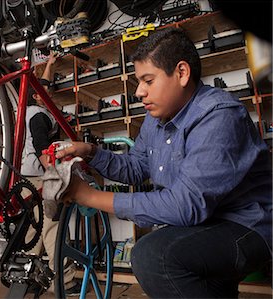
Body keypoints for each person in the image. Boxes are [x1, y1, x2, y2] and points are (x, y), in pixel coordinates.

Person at [54, 27, 272, 298]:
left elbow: (185, 206)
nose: (140, 92)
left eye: (148, 80)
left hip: (246, 226)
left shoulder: (219, 116)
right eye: (138, 83)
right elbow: (136, 168)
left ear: (181, 73)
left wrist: (88, 196)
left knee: (153, 256)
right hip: (205, 225)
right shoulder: (155, 120)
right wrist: (90, 152)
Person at [21, 52, 79, 295]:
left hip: (25, 177)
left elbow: (42, 86)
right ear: (37, 96)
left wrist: (50, 65)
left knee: (34, 229)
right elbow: (42, 147)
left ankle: (26, 274)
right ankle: (64, 281)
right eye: (46, 93)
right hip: (40, 175)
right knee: (52, 226)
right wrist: (56, 176)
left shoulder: (25, 112)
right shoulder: (39, 115)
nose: (50, 95)